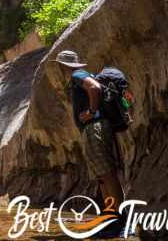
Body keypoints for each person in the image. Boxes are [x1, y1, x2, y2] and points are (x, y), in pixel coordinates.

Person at [52, 50, 126, 237]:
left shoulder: (78, 74)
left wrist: (91, 112)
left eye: (59, 65)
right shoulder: (77, 76)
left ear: (64, 65)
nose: (59, 68)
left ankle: (120, 221)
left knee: (107, 174)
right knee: (101, 176)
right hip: (92, 129)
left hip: (96, 127)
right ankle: (110, 218)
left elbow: (94, 88)